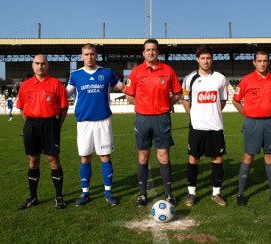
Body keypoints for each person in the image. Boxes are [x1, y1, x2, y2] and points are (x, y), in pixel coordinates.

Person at [66, 43, 125, 207]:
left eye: (92, 54)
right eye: (86, 54)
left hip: (103, 122)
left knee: (105, 157)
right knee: (85, 158)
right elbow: (64, 94)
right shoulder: (76, 75)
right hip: (84, 123)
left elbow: (123, 87)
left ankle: (108, 192)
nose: (89, 57)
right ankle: (85, 193)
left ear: (96, 55)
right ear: (82, 56)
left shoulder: (106, 73)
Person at [125, 39, 182, 207]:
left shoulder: (168, 70)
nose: (151, 52)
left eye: (154, 49)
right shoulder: (136, 72)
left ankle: (169, 194)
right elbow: (129, 95)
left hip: (162, 118)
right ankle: (142, 195)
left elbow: (177, 93)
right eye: (148, 49)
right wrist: (143, 106)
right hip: (142, 119)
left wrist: (165, 105)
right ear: (143, 53)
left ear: (158, 52)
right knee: (143, 155)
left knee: (163, 155)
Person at [16, 54, 68, 210]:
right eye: (37, 63)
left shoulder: (56, 84)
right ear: (32, 66)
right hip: (31, 125)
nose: (40, 66)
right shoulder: (25, 85)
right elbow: (22, 108)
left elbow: (63, 108)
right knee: (33, 160)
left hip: (50, 124)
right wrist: (31, 124)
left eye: (43, 63)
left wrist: (56, 125)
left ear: (48, 65)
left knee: (53, 159)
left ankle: (59, 197)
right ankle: (33, 197)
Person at [232, 50, 271, 206]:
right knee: (248, 156)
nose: (262, 63)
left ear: (268, 62)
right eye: (259, 60)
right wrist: (248, 115)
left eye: (265, 60)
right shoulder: (246, 80)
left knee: (270, 157)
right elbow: (236, 101)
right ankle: (240, 194)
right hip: (252, 123)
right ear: (254, 62)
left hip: (270, 122)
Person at [181, 45, 228, 207]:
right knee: (193, 159)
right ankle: (191, 194)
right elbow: (184, 100)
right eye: (203, 58)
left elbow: (222, 101)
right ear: (197, 59)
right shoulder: (189, 79)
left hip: (215, 127)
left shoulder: (220, 78)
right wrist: (193, 115)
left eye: (208, 58)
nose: (206, 61)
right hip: (197, 127)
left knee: (217, 159)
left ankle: (216, 193)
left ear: (212, 59)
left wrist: (212, 113)